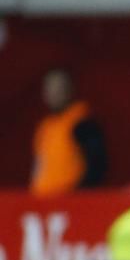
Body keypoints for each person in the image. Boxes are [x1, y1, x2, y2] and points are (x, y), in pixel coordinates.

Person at [30, 68, 107, 198]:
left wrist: (78, 196)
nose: (54, 93)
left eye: (59, 88)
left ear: (70, 89)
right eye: (50, 88)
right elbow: (39, 166)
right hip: (43, 203)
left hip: (69, 202)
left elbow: (97, 165)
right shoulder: (45, 127)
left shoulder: (82, 123)